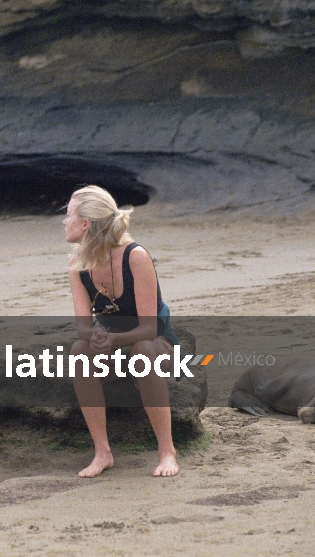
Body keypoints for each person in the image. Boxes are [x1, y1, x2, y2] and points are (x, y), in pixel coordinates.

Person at [62, 185, 180, 478]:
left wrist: (113, 338)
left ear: (85, 224)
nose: (64, 221)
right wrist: (96, 338)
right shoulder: (77, 264)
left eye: (67, 214)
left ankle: (167, 452)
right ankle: (103, 453)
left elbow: (149, 327)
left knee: (142, 350)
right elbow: (83, 328)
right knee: (79, 352)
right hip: (113, 346)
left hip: (156, 342)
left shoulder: (135, 256)